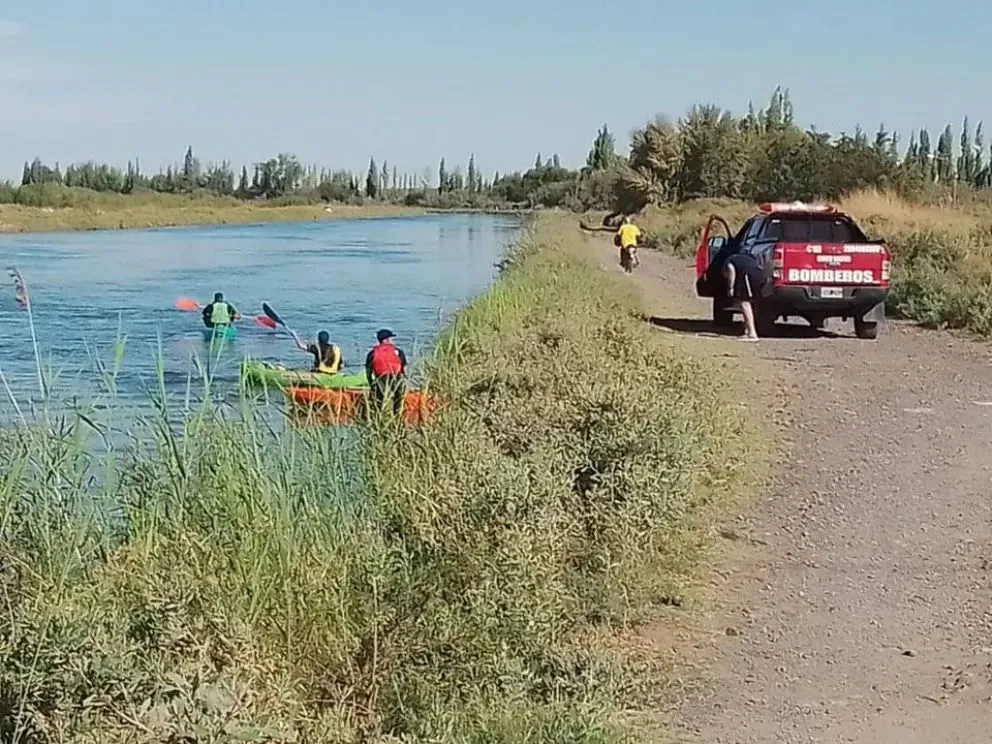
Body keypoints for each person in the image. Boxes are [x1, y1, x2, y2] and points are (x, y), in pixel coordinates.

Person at [365, 328, 408, 415]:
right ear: (387, 340)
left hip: (381, 380)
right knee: (398, 400)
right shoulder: (398, 352)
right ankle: (397, 416)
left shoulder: (372, 353)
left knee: (377, 403)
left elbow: (368, 372)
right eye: (391, 339)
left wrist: (371, 383)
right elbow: (404, 371)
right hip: (396, 380)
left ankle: (376, 416)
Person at [723, 252, 763, 341]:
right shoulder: (743, 258)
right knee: (748, 302)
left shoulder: (729, 262)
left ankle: (752, 334)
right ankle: (747, 331)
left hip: (749, 275)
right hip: (761, 274)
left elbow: (731, 272)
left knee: (744, 303)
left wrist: (730, 288)